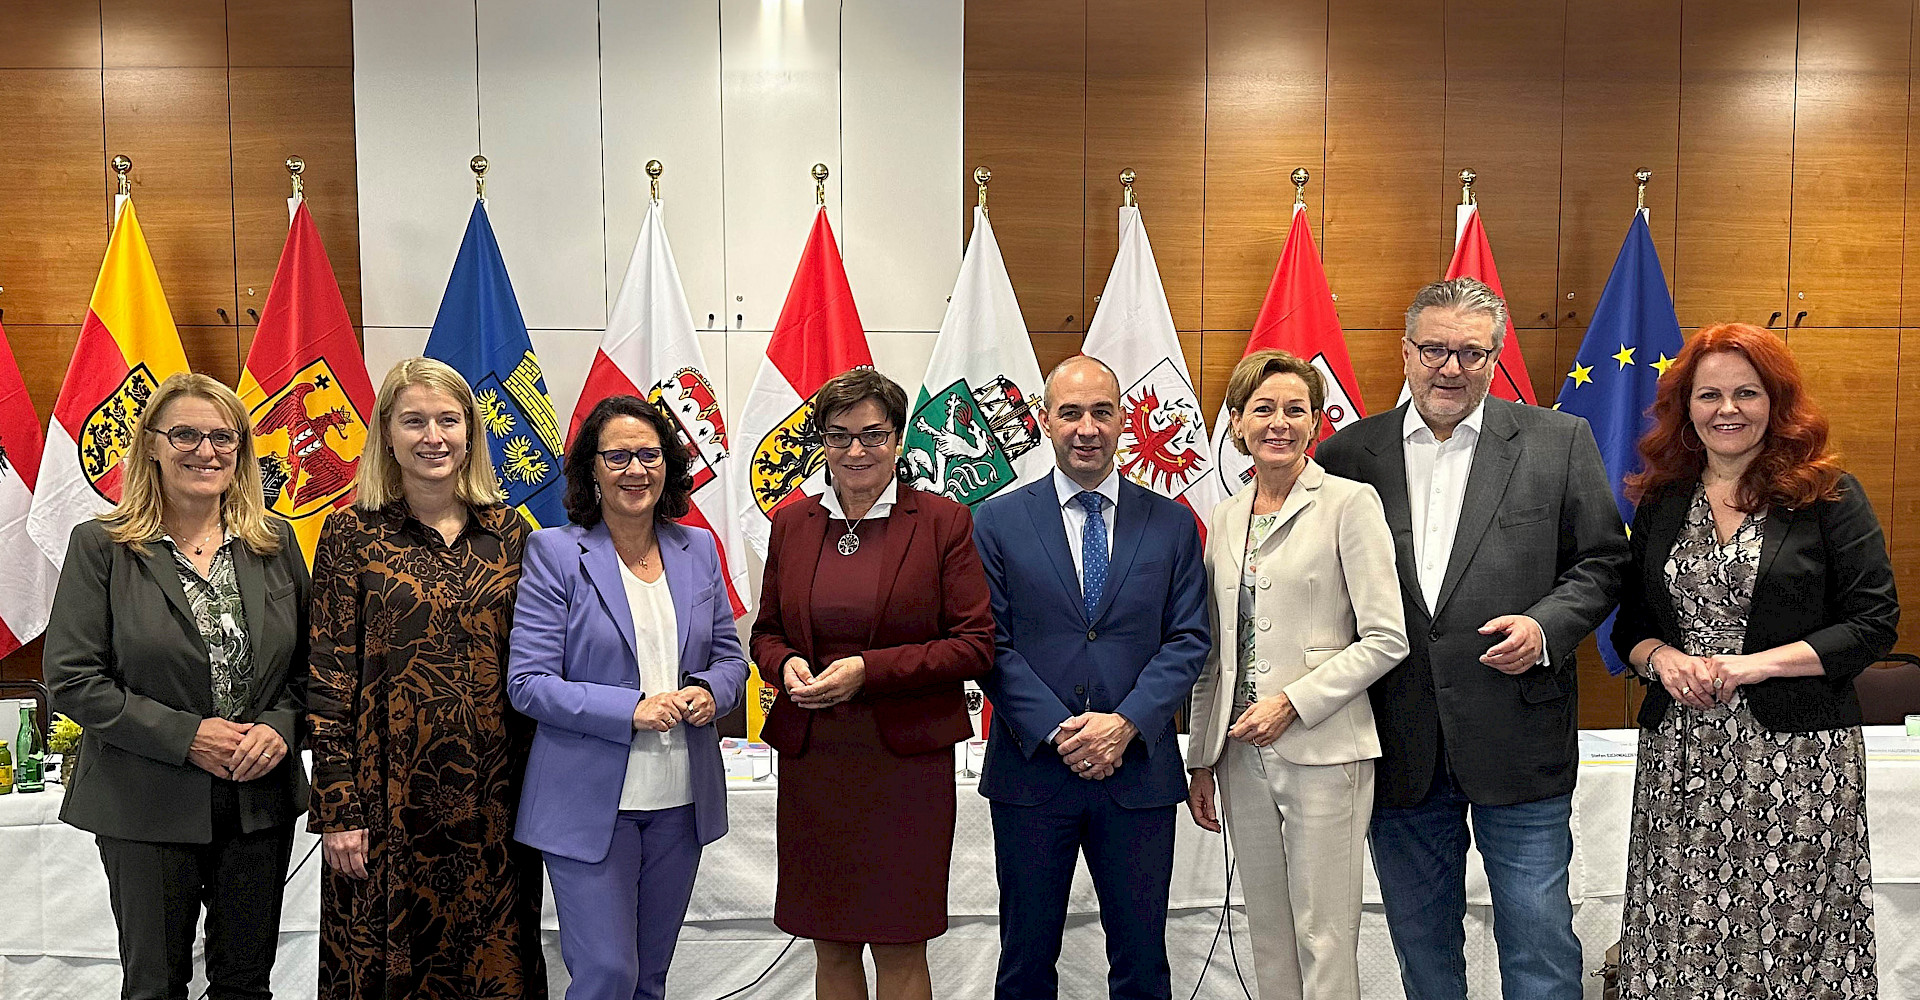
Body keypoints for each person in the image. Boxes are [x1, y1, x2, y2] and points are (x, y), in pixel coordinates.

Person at [1314, 277, 1626, 1000]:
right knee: (1422, 950)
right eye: (1433, 350)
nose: (1449, 368)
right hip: (1399, 742)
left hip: (1520, 737)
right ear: (1406, 352)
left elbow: (1604, 561)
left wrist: (1546, 626)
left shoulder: (1557, 441)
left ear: (1494, 357)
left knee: (1540, 942)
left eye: (1470, 353)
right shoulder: (1347, 455)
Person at [1611, 323, 1895, 998]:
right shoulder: (1660, 500)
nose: (1727, 409)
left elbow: (1872, 624)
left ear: (1776, 402)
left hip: (1799, 760)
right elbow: (1630, 628)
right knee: (1684, 927)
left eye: (1747, 392)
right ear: (1687, 409)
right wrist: (1664, 660)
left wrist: (1752, 666)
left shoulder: (1829, 496)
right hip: (1681, 758)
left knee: (1790, 929)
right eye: (1709, 395)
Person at [44, 372, 310, 1000]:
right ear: (153, 447)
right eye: (186, 434)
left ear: (242, 453)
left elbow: (311, 667)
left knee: (245, 983)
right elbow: (72, 679)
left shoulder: (273, 544)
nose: (206, 451)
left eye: (224, 437)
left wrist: (280, 726)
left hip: (258, 800)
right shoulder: (102, 546)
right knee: (154, 984)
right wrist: (188, 737)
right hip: (145, 799)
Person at [749, 367, 995, 1000]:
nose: (855, 451)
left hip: (905, 764)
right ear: (821, 441)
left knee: (898, 940)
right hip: (818, 760)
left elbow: (974, 645)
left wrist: (869, 671)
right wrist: (784, 666)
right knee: (829, 943)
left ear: (898, 437)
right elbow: (767, 633)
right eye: (838, 435)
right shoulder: (792, 523)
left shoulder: (942, 522)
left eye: (871, 434)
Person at [305, 357, 546, 1000]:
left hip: (495, 802)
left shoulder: (512, 534)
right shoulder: (349, 533)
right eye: (414, 421)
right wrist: (337, 809)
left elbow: (537, 668)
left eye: (448, 419)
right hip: (385, 805)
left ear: (473, 432)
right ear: (387, 434)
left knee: (492, 968)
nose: (432, 436)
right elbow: (328, 681)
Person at [972, 355, 1210, 1000]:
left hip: (1138, 773)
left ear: (1124, 422)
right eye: (1070, 412)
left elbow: (1189, 639)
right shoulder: (995, 521)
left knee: (1141, 961)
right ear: (1043, 421)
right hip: (1032, 772)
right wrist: (1060, 731)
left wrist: (1125, 724)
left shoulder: (1172, 522)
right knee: (1025, 960)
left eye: (1102, 412)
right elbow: (988, 643)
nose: (1086, 428)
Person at [508, 394, 749, 1000]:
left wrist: (708, 694)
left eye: (649, 455)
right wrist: (631, 709)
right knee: (607, 974)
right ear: (591, 468)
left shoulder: (697, 549)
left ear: (669, 464)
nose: (635, 470)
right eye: (617, 456)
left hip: (681, 800)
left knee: (649, 978)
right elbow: (527, 684)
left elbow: (730, 657)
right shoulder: (555, 553)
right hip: (588, 802)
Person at [1185, 350, 1407, 1000]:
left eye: (1294, 410)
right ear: (1236, 423)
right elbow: (1214, 654)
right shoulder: (1225, 516)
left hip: (1326, 748)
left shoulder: (1349, 503)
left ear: (1315, 422)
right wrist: (1202, 758)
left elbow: (1387, 637)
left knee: (1326, 933)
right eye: (1263, 408)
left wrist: (1293, 701)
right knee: (1267, 930)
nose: (1278, 422)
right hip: (1239, 755)